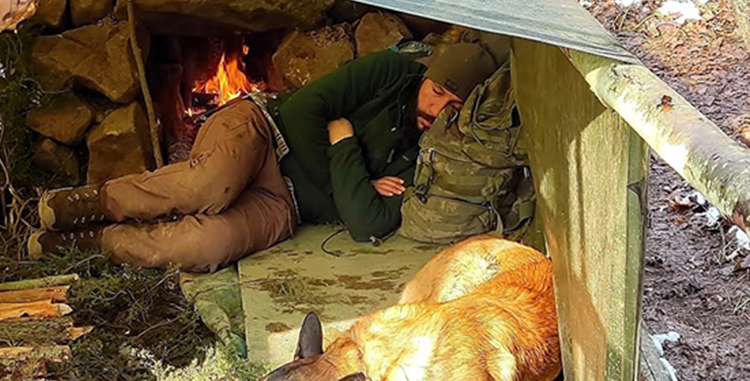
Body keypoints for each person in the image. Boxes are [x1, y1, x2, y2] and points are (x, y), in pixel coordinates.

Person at [28, 42, 496, 272]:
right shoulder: (390, 73)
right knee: (209, 187)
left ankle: (96, 242)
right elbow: (304, 108)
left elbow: (366, 223)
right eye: (435, 93)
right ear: (425, 76)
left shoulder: (435, 154)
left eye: (452, 109)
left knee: (203, 247)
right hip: (265, 131)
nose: (435, 112)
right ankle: (92, 203)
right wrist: (349, 183)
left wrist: (342, 142)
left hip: (285, 205)